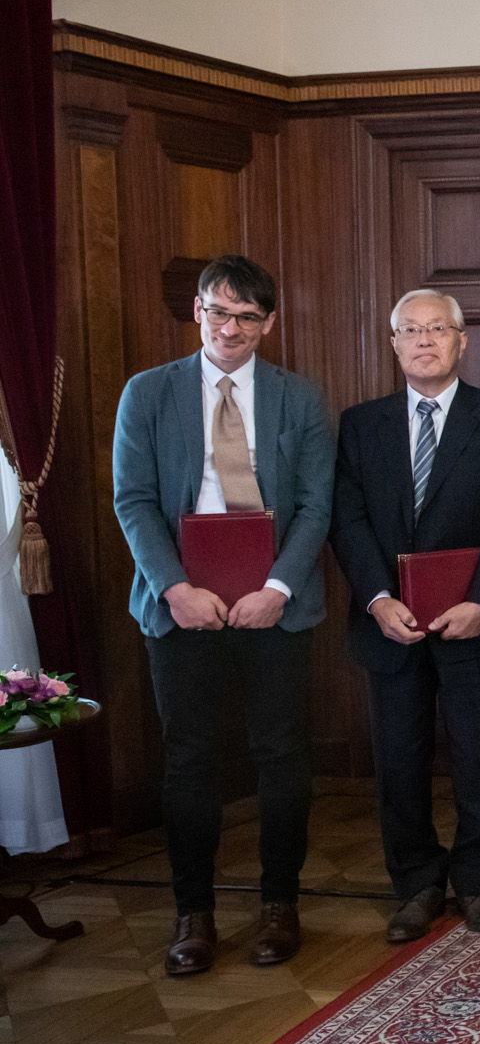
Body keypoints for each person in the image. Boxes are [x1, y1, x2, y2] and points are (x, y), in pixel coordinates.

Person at [111, 256, 335, 976]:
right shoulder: (148, 392)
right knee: (189, 760)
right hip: (182, 607)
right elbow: (133, 500)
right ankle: (193, 913)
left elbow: (315, 505)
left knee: (281, 756)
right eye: (217, 310)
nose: (228, 327)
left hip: (274, 602)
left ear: (268, 323)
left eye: (245, 315)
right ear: (197, 312)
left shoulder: (299, 398)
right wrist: (174, 587)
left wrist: (277, 587)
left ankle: (279, 905)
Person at [330, 289, 480, 942]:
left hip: (474, 620)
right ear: (393, 343)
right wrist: (376, 597)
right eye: (411, 330)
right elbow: (349, 519)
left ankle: (478, 880)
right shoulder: (361, 424)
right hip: (391, 622)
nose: (424, 340)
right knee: (400, 755)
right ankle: (417, 881)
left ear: (461, 339)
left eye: (437, 329)